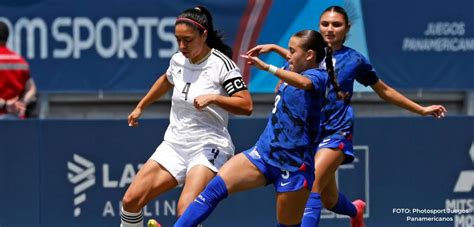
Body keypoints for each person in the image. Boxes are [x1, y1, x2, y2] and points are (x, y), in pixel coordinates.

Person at [247, 5, 448, 227]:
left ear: (347, 28)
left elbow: (384, 90)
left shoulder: (354, 60)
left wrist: (421, 109)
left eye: (336, 24)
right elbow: (294, 60)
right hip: (310, 136)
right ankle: (355, 211)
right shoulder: (309, 56)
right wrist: (276, 49)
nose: (330, 29)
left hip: (336, 132)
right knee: (329, 199)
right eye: (325, 24)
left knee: (311, 186)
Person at [175, 29, 339, 227]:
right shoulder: (294, 65)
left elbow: (304, 83)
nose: (288, 55)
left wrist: (268, 67)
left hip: (294, 166)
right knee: (212, 191)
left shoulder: (318, 77)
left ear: (310, 55)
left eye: (292, 51)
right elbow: (292, 62)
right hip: (263, 153)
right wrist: (272, 48)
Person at [120, 6, 253, 227]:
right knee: (131, 200)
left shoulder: (222, 65)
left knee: (186, 210)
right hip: (175, 143)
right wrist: (141, 106)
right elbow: (166, 79)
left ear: (204, 35)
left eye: (188, 40)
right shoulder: (177, 60)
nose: (182, 46)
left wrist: (214, 98)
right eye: (178, 40)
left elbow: (246, 105)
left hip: (209, 145)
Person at [0, 21, 37, 120]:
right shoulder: (21, 61)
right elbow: (31, 89)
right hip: (16, 122)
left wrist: (5, 105)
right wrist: (21, 104)